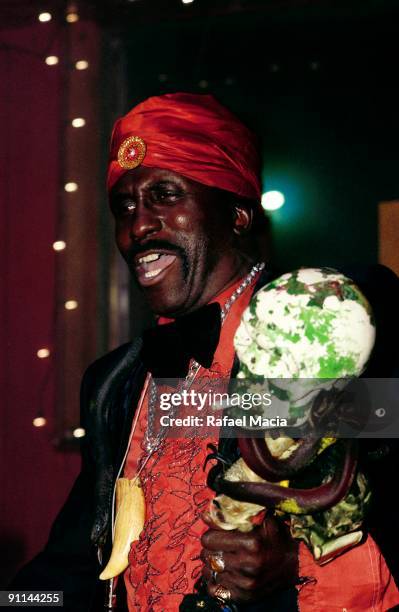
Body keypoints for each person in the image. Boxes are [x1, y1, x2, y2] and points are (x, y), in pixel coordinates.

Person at [11, 93, 399, 611]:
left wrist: (299, 567)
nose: (138, 226)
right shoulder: (113, 383)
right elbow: (73, 569)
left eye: (165, 196)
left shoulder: (325, 323)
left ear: (237, 215)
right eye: (125, 206)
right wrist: (14, 598)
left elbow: (382, 434)